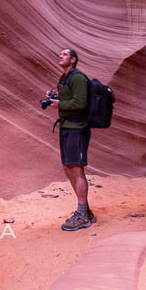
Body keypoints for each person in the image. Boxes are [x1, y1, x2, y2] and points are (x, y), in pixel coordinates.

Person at [47, 47, 96, 231]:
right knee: (68, 168)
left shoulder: (78, 78)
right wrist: (55, 98)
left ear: (73, 60)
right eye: (60, 53)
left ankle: (82, 214)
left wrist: (60, 104)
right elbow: (70, 99)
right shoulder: (64, 78)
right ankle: (86, 211)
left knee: (76, 169)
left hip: (78, 128)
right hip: (66, 126)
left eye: (65, 54)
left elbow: (81, 103)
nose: (60, 55)